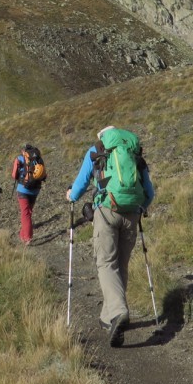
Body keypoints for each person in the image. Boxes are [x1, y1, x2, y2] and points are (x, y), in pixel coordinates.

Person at [66, 125, 155, 347]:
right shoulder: (134, 153)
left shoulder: (97, 150)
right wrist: (139, 208)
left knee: (106, 263)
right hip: (132, 214)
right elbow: (150, 192)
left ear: (103, 137)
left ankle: (118, 311)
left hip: (106, 211)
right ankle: (109, 317)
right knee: (120, 265)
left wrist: (71, 195)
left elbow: (81, 184)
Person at [11, 145, 43, 244]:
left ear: (23, 151)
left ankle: (28, 237)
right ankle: (22, 234)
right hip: (35, 189)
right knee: (28, 212)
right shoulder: (38, 159)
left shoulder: (20, 158)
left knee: (25, 213)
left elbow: (14, 175)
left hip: (23, 189)